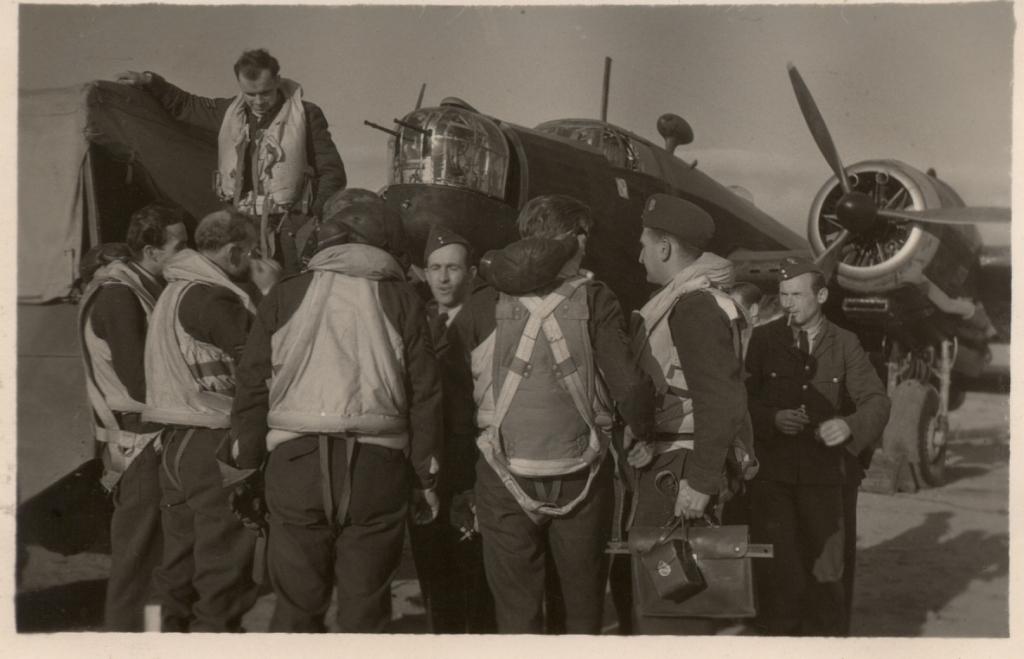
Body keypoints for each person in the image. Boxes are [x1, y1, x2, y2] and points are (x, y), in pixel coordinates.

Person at [229, 200, 442, 632]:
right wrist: (426, 477)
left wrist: (246, 466)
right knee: (366, 611)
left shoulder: (286, 292)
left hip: (295, 464)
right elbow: (425, 394)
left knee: (296, 609)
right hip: (376, 469)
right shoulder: (402, 298)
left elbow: (251, 386)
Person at [450, 194, 655, 634]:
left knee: (516, 612)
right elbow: (630, 385)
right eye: (583, 235)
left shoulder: (481, 303)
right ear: (571, 239)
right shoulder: (595, 298)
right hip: (581, 474)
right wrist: (641, 429)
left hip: (502, 474)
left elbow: (452, 394)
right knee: (582, 610)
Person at [143, 208, 281, 632]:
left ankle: (163, 640)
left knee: (178, 567)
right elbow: (262, 362)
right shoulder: (214, 297)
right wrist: (271, 292)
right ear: (237, 250)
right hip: (212, 443)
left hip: (175, 444)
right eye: (251, 252)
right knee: (222, 573)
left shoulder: (175, 291)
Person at [744, 256, 890, 636]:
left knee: (828, 579)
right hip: (774, 480)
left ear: (821, 295)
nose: (788, 303)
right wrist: (771, 418)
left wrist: (849, 425)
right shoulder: (762, 340)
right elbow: (741, 401)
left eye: (797, 294)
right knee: (779, 581)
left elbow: (876, 400)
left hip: (827, 482)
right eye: (783, 294)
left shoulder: (845, 343)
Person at [629, 193, 753, 634]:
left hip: (680, 474)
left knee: (672, 611)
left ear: (664, 247)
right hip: (677, 463)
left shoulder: (693, 306)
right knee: (682, 603)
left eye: (644, 242)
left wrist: (699, 483)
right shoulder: (697, 300)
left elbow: (721, 399)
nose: (639, 252)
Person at [117, 49, 346, 274]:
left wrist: (308, 221)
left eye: (265, 93)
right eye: (250, 94)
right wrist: (149, 81)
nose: (258, 101)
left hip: (290, 230)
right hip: (242, 229)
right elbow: (186, 105)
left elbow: (332, 172)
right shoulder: (230, 113)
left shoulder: (306, 115)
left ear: (277, 80)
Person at [77, 204, 187, 631]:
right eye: (179, 245)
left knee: (154, 558)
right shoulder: (120, 296)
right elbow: (141, 383)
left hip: (145, 435)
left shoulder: (138, 287)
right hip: (139, 438)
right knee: (137, 560)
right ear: (150, 250)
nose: (187, 252)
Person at [408, 224, 496, 633]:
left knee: (475, 574)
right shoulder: (417, 318)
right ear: (424, 272)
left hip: (471, 464)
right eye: (435, 268)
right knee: (432, 571)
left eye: (453, 269)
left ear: (473, 272)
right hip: (427, 464)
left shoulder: (490, 317)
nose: (443, 278)